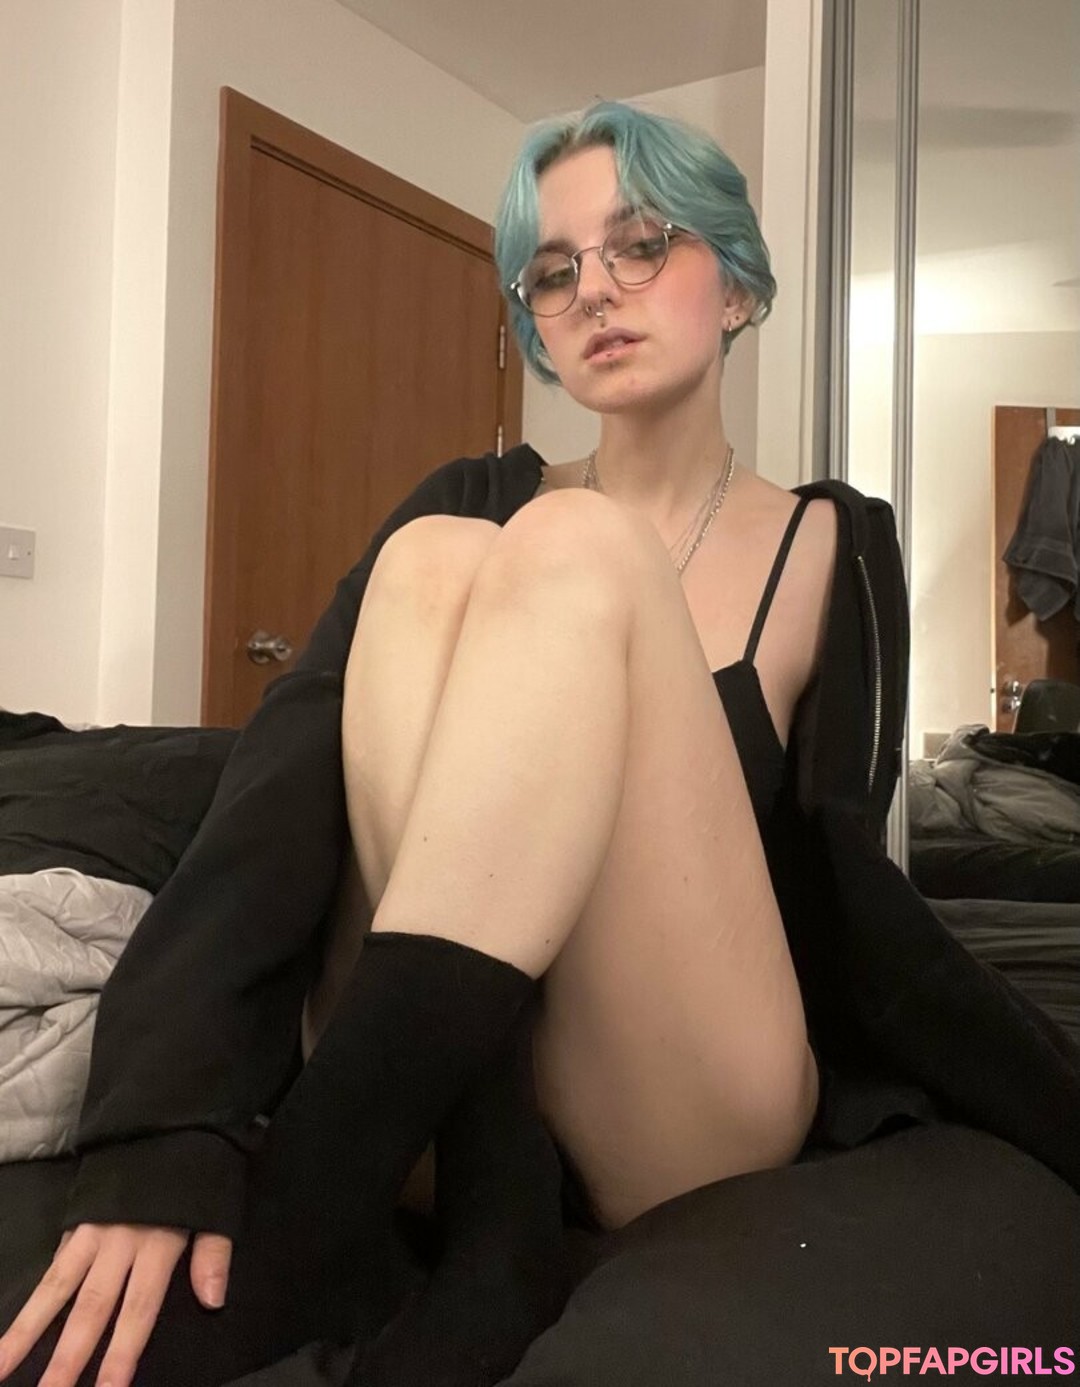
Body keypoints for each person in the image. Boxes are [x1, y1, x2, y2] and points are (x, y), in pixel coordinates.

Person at [2, 101, 1079, 1387]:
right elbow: (282, 778)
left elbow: (843, 871)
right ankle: (485, 1225)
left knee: (576, 543)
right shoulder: (469, 503)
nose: (594, 292)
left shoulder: (835, 543)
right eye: (553, 272)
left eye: (642, 245)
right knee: (435, 557)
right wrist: (163, 1119)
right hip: (461, 1094)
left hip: (681, 1082)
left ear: (738, 287)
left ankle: (303, 1217)